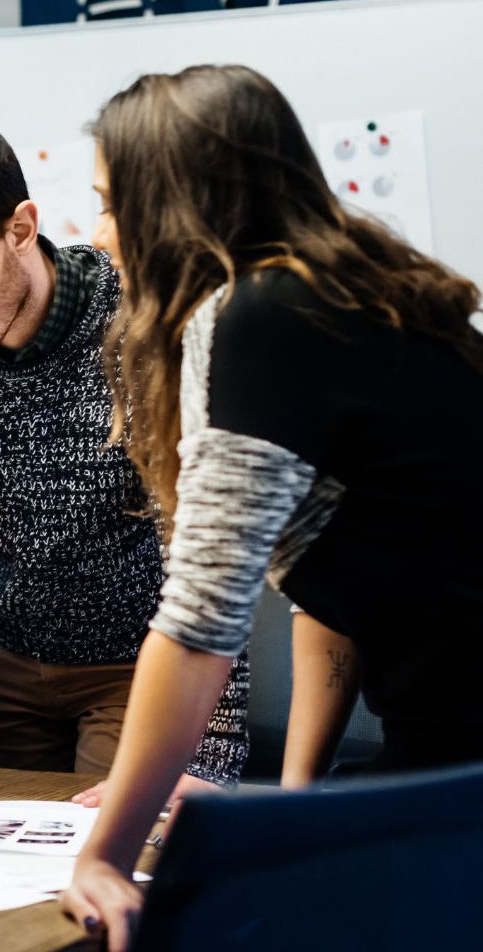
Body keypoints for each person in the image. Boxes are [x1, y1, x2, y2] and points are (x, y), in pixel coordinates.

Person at [61, 65, 483, 949]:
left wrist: (105, 854)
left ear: (171, 201)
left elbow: (197, 625)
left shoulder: (260, 316)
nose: (99, 235)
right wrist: (298, 803)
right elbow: (338, 581)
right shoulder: (357, 291)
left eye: (111, 201)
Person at [0, 111, 248, 800]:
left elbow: (205, 539)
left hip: (139, 661)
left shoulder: (138, 324)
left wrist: (207, 755)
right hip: (1, 656)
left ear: (19, 229)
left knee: (115, 861)